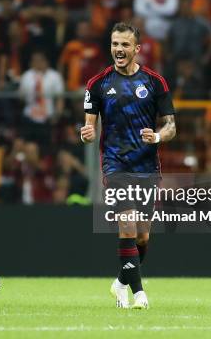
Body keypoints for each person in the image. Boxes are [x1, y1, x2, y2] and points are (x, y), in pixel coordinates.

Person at [80, 22, 176, 309]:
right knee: (127, 224)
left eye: (124, 45)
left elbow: (171, 126)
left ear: (137, 48)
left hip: (146, 165)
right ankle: (138, 294)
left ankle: (121, 282)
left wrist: (157, 136)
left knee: (143, 236)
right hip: (115, 163)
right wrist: (86, 134)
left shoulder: (155, 82)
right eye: (114, 44)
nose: (118, 50)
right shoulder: (97, 84)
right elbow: (88, 126)